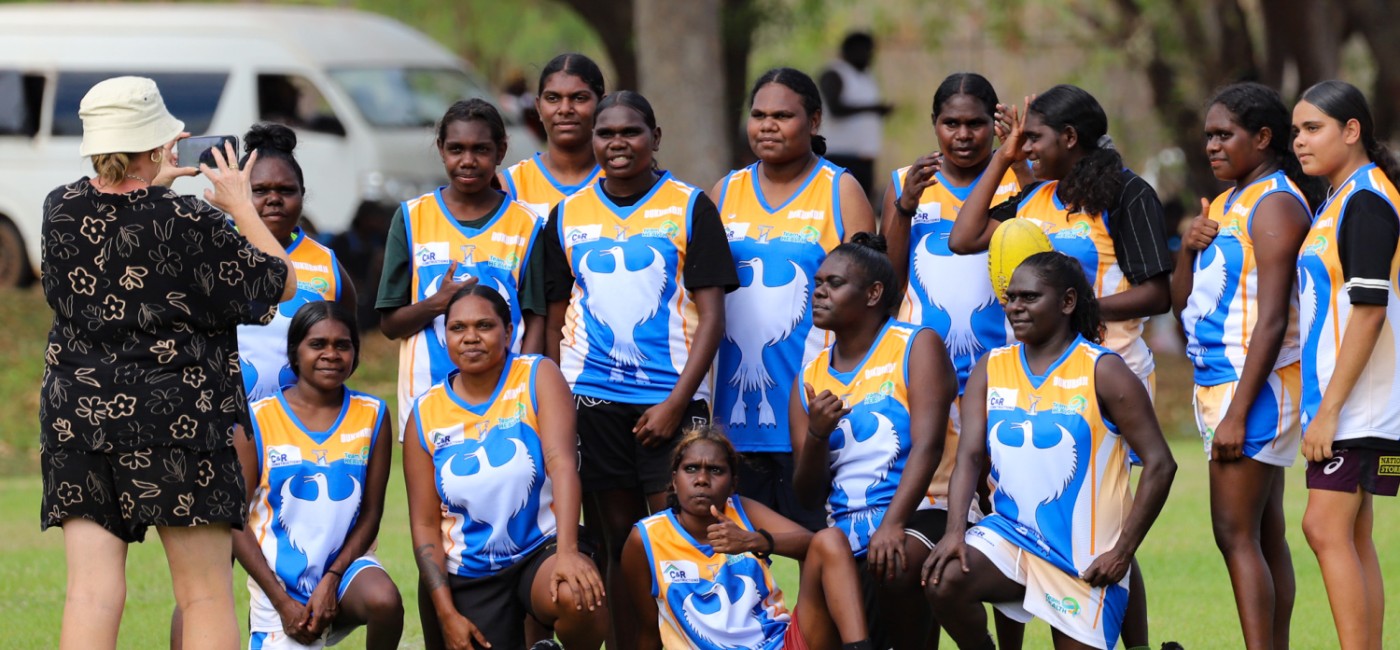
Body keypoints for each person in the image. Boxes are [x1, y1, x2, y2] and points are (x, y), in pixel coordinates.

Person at [40, 76, 296, 649]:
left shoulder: (59, 209)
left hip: (78, 420)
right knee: (203, 594)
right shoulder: (190, 221)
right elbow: (280, 281)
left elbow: (121, 225)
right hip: (175, 420)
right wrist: (239, 204)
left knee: (89, 593)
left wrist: (150, 181)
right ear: (159, 143)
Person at [948, 84, 1174, 649]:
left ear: (1070, 137)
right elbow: (964, 236)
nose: (1026, 147)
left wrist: (1082, 313)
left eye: (1035, 138)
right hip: (1029, 370)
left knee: (1100, 522)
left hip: (1108, 369)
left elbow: (1157, 293)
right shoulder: (1034, 195)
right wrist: (1004, 157)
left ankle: (1126, 639)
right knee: (1017, 509)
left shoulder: (1127, 193)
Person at [542, 90, 737, 650]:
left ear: (655, 137)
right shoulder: (567, 214)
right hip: (593, 402)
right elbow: (553, 321)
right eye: (606, 133)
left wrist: (675, 405)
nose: (617, 143)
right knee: (618, 543)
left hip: (671, 402)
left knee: (679, 539)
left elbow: (713, 318)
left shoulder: (689, 206)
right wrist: (558, 401)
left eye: (630, 132)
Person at [924, 251, 1176, 650]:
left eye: (1029, 297)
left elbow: (1161, 464)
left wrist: (1122, 553)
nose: (1015, 307)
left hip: (1083, 559)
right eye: (1010, 297)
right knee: (945, 577)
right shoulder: (991, 366)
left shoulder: (1104, 370)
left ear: (1067, 301)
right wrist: (955, 531)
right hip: (1011, 537)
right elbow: (969, 457)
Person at [1170, 82, 1313, 650]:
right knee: (1263, 532)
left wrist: (1237, 414)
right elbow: (1183, 305)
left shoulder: (1274, 204)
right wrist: (1188, 248)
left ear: (1262, 137)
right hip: (1220, 384)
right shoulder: (1228, 202)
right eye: (1208, 135)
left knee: (1234, 534)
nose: (1211, 146)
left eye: (1224, 135)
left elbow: (1273, 321)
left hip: (1253, 390)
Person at [710, 67, 875, 533]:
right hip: (733, 412)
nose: (768, 125)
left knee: (822, 546)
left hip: (814, 409)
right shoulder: (725, 192)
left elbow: (869, 305)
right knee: (732, 551)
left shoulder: (840, 191)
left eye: (782, 116)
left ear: (814, 120)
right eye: (759, 115)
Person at [404, 285, 608, 650]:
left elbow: (562, 465)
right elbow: (424, 524)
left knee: (577, 595)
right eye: (457, 328)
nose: (470, 337)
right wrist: (446, 613)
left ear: (509, 331)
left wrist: (567, 552)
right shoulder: (425, 412)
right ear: (445, 336)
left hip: (540, 548)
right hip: (471, 570)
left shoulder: (537, 375)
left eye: (484, 325)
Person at [790, 233, 956, 648]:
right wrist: (816, 434)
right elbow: (807, 495)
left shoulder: (916, 345)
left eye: (834, 283)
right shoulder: (809, 377)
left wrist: (893, 523)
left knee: (894, 564)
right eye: (817, 283)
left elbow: (929, 446)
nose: (819, 292)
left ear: (873, 293)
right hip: (845, 531)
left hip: (922, 511)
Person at [1292, 79, 1400, 650]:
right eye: (1296, 130)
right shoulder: (1339, 198)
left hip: (1360, 407)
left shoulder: (1366, 200)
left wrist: (1330, 411)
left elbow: (1370, 311)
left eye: (1313, 128)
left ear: (1351, 130)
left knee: (1323, 526)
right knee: (1354, 532)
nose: (1300, 141)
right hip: (1354, 404)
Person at [233, 302, 402, 649]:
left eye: (343, 345)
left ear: (355, 353)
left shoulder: (373, 414)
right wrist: (281, 602)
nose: (331, 354)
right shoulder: (256, 419)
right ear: (295, 352)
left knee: (384, 600)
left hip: (345, 572)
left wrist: (333, 577)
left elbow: (371, 513)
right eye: (317, 344)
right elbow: (234, 522)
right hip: (280, 587)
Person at [621, 426, 877, 650]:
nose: (702, 479)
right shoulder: (645, 539)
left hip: (780, 644)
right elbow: (649, 631)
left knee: (832, 538)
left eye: (715, 470)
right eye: (691, 469)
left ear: (733, 483)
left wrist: (755, 541)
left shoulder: (742, 510)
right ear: (674, 480)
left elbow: (818, 546)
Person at [376, 99, 546, 430]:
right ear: (441, 149)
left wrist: (523, 385)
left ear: (500, 151)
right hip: (427, 396)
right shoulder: (411, 218)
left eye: (480, 149)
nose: (468, 161)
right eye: (456, 149)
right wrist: (436, 304)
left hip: (505, 398)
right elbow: (390, 326)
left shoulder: (527, 224)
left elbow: (535, 319)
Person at [237, 122, 358, 402]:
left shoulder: (325, 263)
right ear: (238, 193)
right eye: (260, 190)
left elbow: (349, 342)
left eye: (286, 190)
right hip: (224, 422)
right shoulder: (212, 252)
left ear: (302, 194)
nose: (274, 199)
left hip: (298, 425)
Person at [501, 53, 606, 220]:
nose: (564, 109)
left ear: (602, 106)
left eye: (579, 98)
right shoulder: (510, 186)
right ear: (538, 107)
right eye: (552, 98)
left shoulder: (622, 180)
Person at [818, 32, 893, 199]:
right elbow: (835, 108)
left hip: (864, 157)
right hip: (838, 155)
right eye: (866, 50)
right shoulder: (834, 73)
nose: (869, 56)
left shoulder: (866, 76)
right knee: (837, 203)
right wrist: (873, 109)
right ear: (850, 50)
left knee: (862, 203)